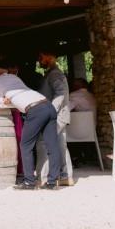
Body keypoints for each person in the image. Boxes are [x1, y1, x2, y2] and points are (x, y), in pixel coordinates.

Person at [0, 59, 63, 190]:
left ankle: (29, 182)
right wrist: (10, 101)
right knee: (52, 145)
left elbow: (0, 104)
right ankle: (52, 182)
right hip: (48, 105)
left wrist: (6, 102)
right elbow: (20, 96)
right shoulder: (14, 77)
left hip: (35, 110)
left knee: (25, 145)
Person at [36, 49, 73, 187]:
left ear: (50, 56)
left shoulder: (55, 74)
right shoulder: (53, 73)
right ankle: (66, 176)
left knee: (43, 143)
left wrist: (50, 111)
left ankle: (43, 177)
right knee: (60, 145)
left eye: (41, 57)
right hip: (60, 115)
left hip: (55, 116)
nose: (39, 60)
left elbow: (60, 93)